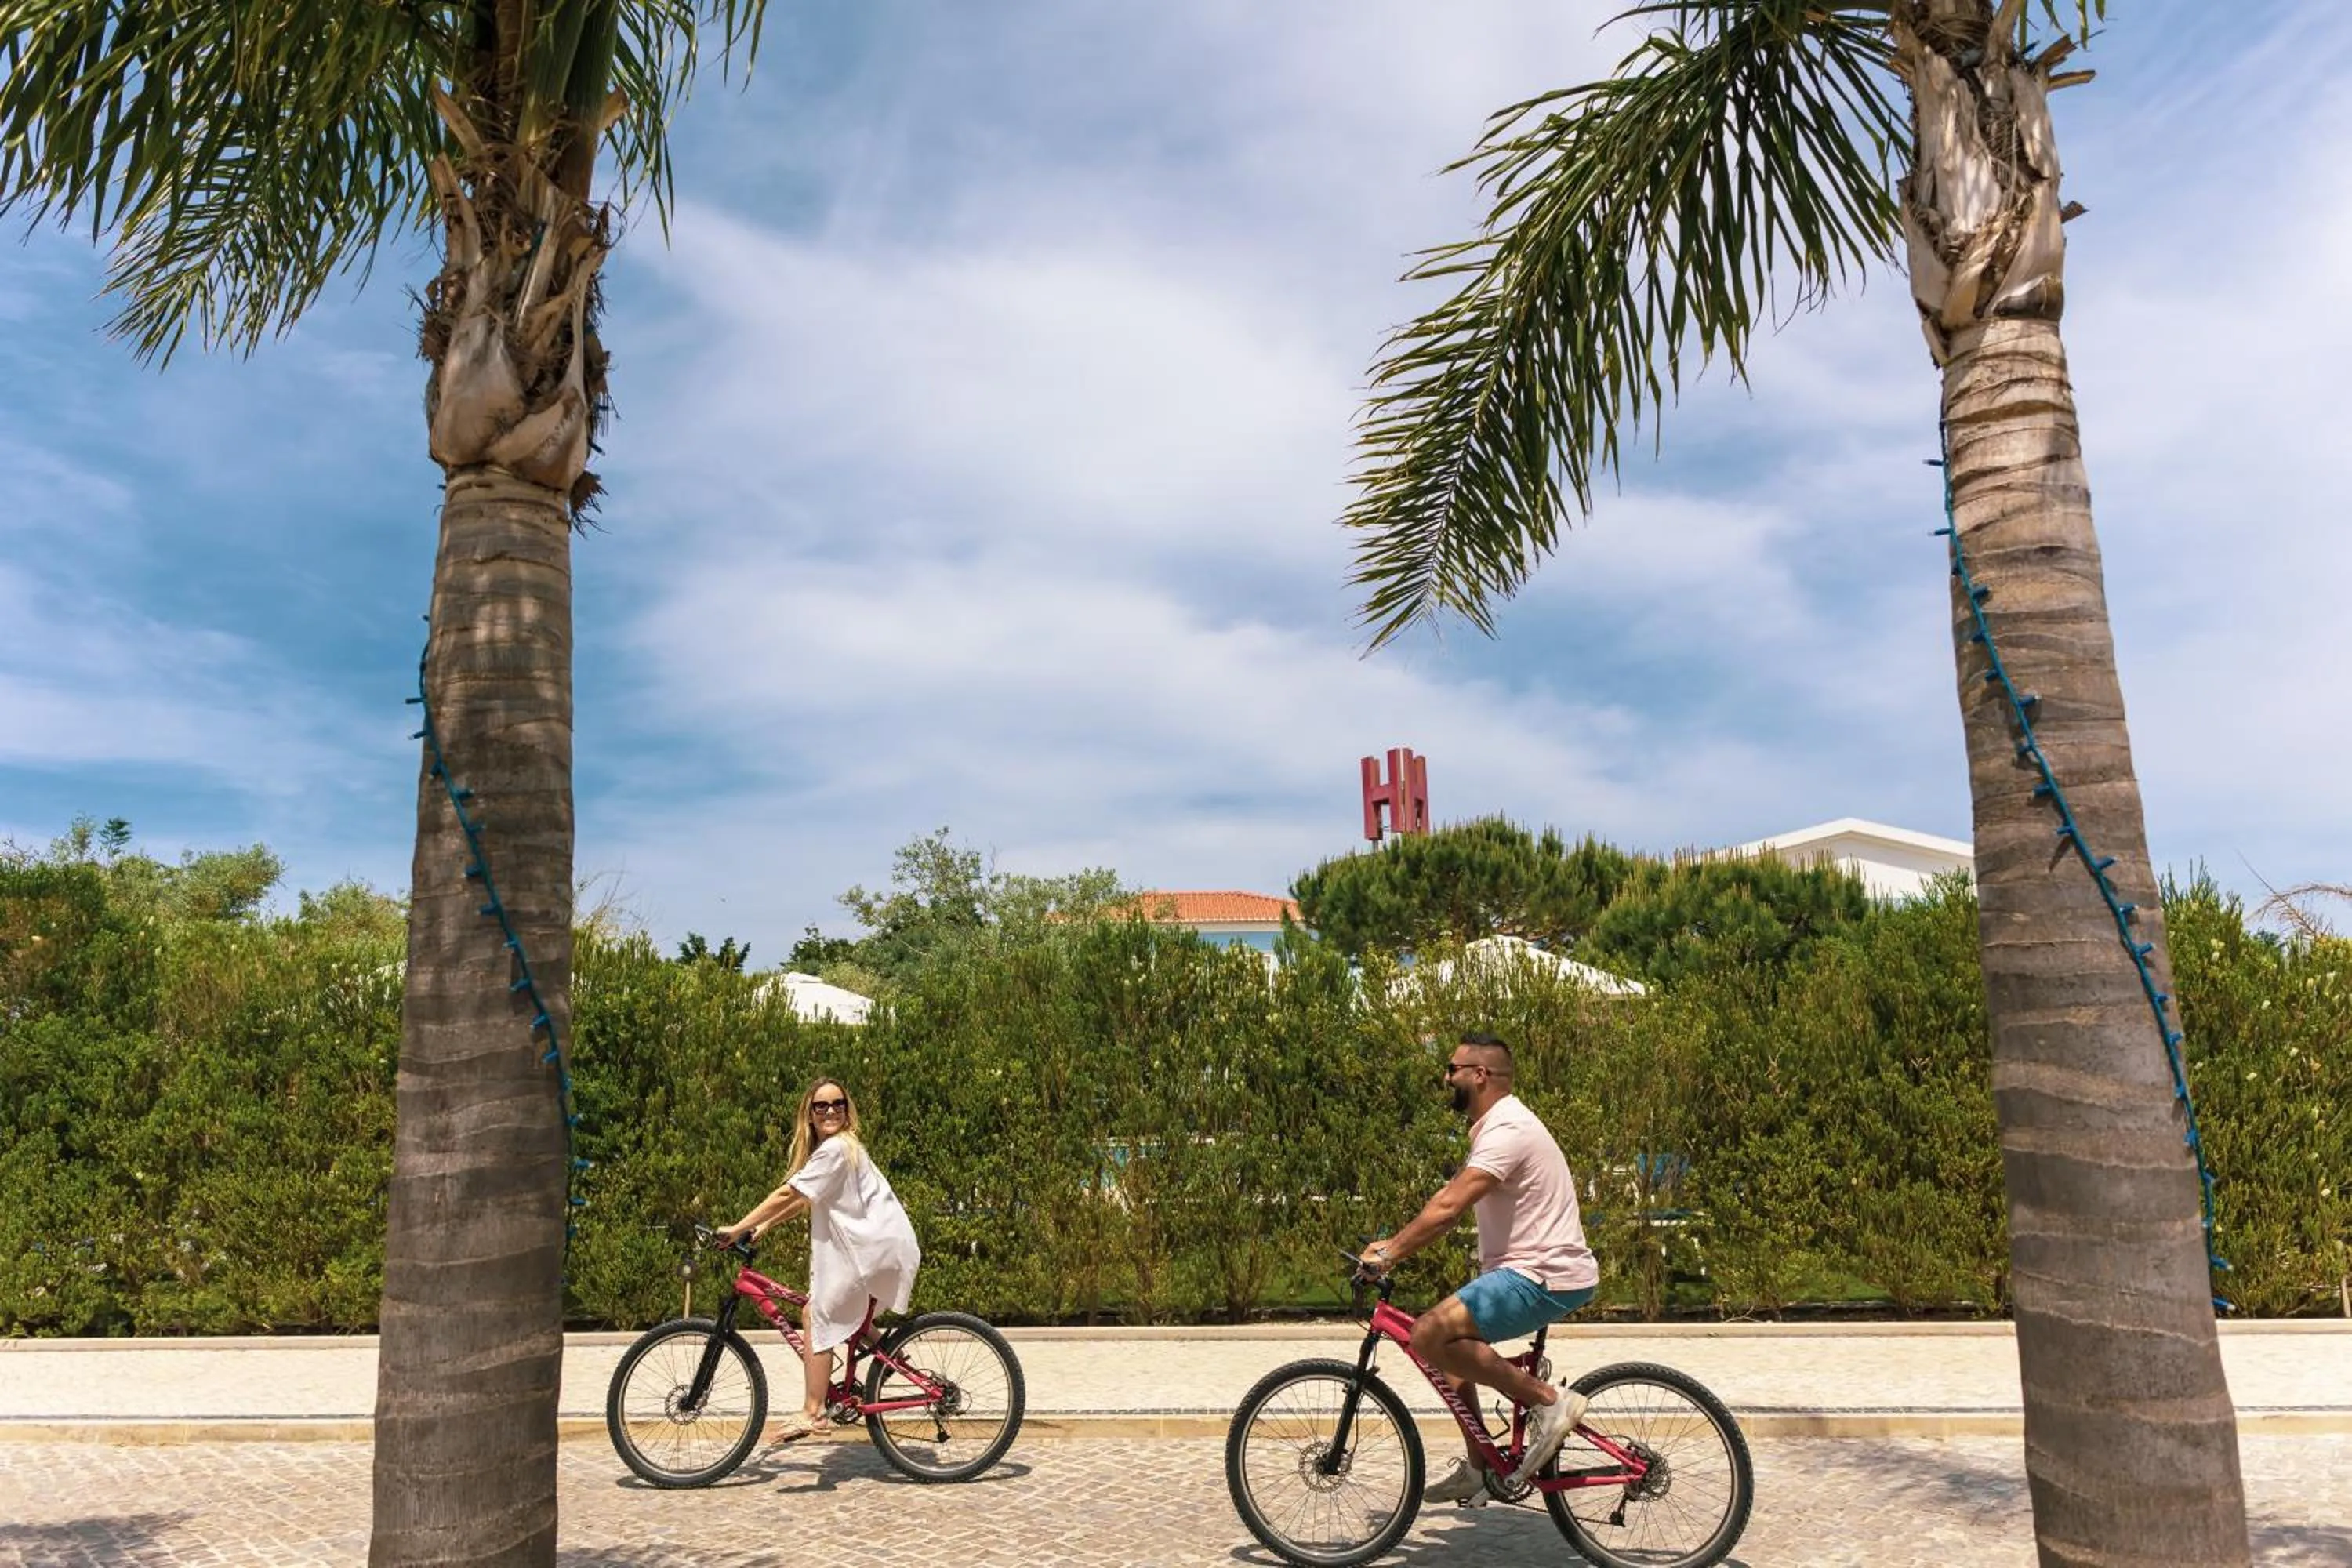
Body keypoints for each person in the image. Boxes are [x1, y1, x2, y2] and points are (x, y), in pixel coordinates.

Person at [1359, 1031, 1599, 1500]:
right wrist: (1393, 1241)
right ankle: (1479, 1467)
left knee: (1429, 1333)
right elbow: (1446, 1198)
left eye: (1452, 1069)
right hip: (1531, 1273)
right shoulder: (1495, 1128)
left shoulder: (1508, 1129)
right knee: (1445, 1349)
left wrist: (1389, 1255)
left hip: (1541, 1274)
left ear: (1480, 1075)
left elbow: (1450, 1207)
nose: (1445, 1077)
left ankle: (1548, 1401)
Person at [715, 1076, 921, 1442]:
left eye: (837, 1104)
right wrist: (764, 1226)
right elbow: (804, 1198)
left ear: (847, 1110)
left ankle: (814, 1412)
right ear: (810, 1114)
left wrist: (737, 1228)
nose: (830, 1111)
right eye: (821, 1105)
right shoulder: (839, 1149)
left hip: (872, 1249)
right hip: (880, 1246)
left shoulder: (837, 1149)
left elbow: (787, 1193)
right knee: (839, 1312)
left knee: (816, 1312)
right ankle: (891, 1354)